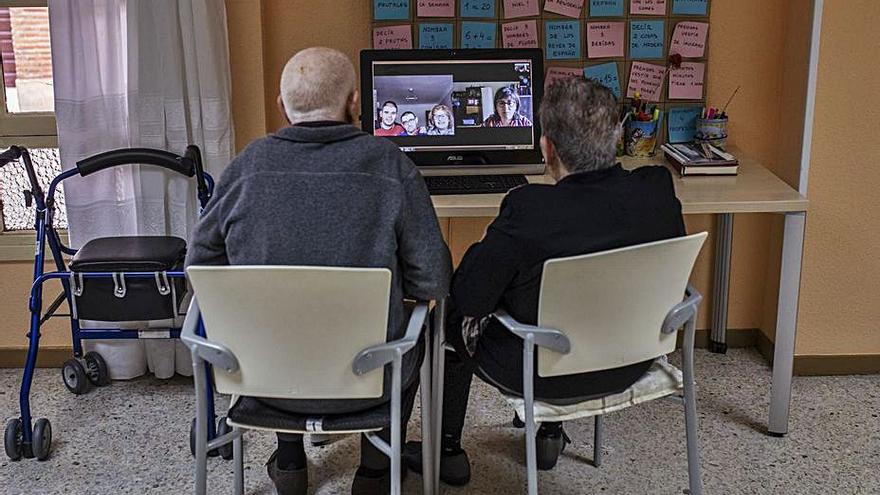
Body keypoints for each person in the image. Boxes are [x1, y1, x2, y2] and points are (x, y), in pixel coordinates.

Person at [186, 47, 452, 495]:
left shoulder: (245, 168)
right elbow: (433, 281)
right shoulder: (391, 167)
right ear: (354, 103)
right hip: (369, 379)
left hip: (261, 379)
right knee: (415, 334)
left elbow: (200, 265)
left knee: (277, 318)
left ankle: (289, 464)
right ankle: (373, 472)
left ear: (281, 107)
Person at [403, 78, 686, 485]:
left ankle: (446, 450)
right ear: (618, 135)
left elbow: (469, 297)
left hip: (540, 375)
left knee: (446, 322)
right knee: (561, 301)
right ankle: (549, 436)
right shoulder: (657, 190)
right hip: (631, 361)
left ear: (547, 147)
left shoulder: (528, 209)